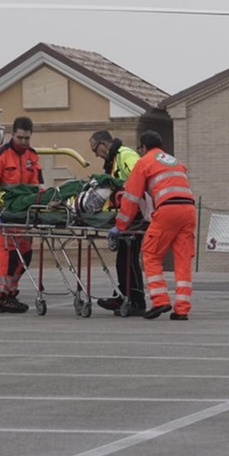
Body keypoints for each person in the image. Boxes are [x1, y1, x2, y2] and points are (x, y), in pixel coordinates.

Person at [111, 130, 194, 320]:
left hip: (167, 211)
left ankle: (160, 300)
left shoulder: (144, 162)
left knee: (150, 254)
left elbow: (131, 197)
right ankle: (182, 310)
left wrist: (120, 225)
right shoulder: (174, 162)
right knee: (182, 260)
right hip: (188, 211)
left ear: (143, 147)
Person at [0, 116, 42, 313]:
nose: (23, 142)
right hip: (3, 213)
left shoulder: (31, 156)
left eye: (27, 138)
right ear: (12, 134)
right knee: (8, 256)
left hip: (22, 213)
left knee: (25, 254)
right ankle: (2, 296)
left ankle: (11, 291)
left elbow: (36, 185)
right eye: (20, 138)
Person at [89, 129, 146, 315]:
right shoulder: (113, 162)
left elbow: (139, 179)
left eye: (95, 150)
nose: (96, 155)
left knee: (129, 259)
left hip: (135, 215)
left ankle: (136, 301)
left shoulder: (125, 155)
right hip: (126, 215)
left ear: (103, 145)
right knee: (124, 259)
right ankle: (123, 295)